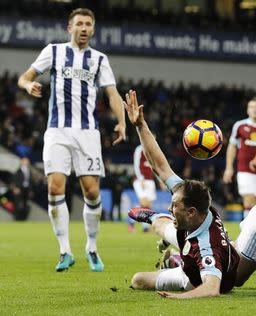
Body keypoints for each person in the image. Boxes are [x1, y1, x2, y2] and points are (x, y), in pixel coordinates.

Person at [17, 8, 126, 272]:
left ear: (93, 29)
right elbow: (25, 77)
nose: (84, 28)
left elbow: (112, 94)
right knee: (55, 188)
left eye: (89, 24)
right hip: (57, 131)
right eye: (79, 23)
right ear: (70, 27)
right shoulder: (53, 51)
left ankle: (91, 246)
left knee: (91, 191)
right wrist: (28, 86)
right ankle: (65, 250)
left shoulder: (99, 59)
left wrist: (122, 122)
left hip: (88, 133)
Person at [125, 90, 239, 299]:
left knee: (138, 280)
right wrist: (140, 126)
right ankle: (153, 219)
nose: (170, 207)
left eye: (175, 206)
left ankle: (177, 261)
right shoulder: (191, 200)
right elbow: (158, 165)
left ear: (191, 211)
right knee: (162, 225)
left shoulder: (207, 246)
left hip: (191, 278)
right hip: (188, 234)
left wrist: (178, 297)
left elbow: (212, 289)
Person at [223, 98, 256, 218]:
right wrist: (229, 168)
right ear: (247, 110)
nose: (254, 109)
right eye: (251, 107)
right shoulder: (240, 125)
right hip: (244, 169)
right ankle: (247, 231)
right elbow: (232, 147)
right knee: (249, 199)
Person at [129, 144, 157, 233]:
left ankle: (144, 227)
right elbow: (136, 163)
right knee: (144, 203)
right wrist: (140, 178)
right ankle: (131, 222)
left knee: (148, 205)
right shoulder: (140, 149)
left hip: (150, 180)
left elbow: (155, 166)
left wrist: (160, 180)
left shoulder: (153, 149)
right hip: (141, 180)